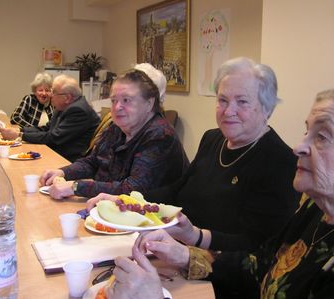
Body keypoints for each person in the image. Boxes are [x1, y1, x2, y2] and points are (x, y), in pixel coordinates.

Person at [106, 84, 334, 299]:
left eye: (323, 136)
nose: (299, 146)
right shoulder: (315, 209)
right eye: (307, 131)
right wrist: (186, 255)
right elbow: (259, 264)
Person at [87, 57, 300, 254]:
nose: (228, 111)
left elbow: (258, 247)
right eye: (223, 100)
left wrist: (195, 238)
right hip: (172, 246)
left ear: (267, 108)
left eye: (242, 102)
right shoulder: (212, 139)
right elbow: (177, 190)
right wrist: (125, 201)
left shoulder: (281, 163)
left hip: (215, 267)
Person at [40, 63, 189, 199]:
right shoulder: (117, 126)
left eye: (126, 100)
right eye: (114, 100)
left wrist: (76, 186)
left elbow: (133, 189)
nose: (117, 107)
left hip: (154, 220)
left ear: (149, 103)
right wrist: (63, 172)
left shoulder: (160, 135)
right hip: (113, 210)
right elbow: (93, 161)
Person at [0, 75, 100, 162]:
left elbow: (53, 138)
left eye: (54, 92)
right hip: (57, 153)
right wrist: (20, 130)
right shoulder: (63, 106)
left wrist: (20, 135)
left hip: (69, 160)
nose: (50, 95)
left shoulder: (78, 110)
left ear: (67, 98)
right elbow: (46, 128)